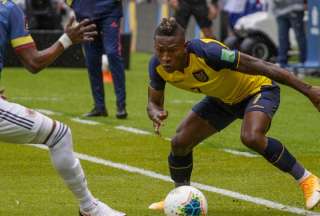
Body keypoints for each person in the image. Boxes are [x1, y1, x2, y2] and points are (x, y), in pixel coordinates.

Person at [147, 17, 320, 211]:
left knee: (251, 137)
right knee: (180, 142)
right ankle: (180, 198)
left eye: (172, 50)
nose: (166, 57)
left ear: (185, 46)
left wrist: (308, 91)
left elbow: (263, 65)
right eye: (160, 50)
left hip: (257, 90)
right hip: (222, 100)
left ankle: (308, 181)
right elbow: (153, 102)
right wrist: (156, 112)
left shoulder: (209, 53)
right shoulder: (157, 67)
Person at [0, 1, 125, 215]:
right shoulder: (8, 9)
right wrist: (67, 39)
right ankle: (89, 208)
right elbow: (34, 62)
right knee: (59, 135)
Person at [71, 0, 128, 119]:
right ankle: (99, 107)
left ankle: (121, 106)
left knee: (112, 53)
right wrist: (73, 4)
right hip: (84, 11)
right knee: (91, 59)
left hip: (110, 9)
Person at [273, 0, 306, 67]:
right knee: (282, 37)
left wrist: (305, 2)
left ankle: (304, 61)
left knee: (299, 36)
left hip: (295, 8)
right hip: (279, 11)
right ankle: (281, 62)